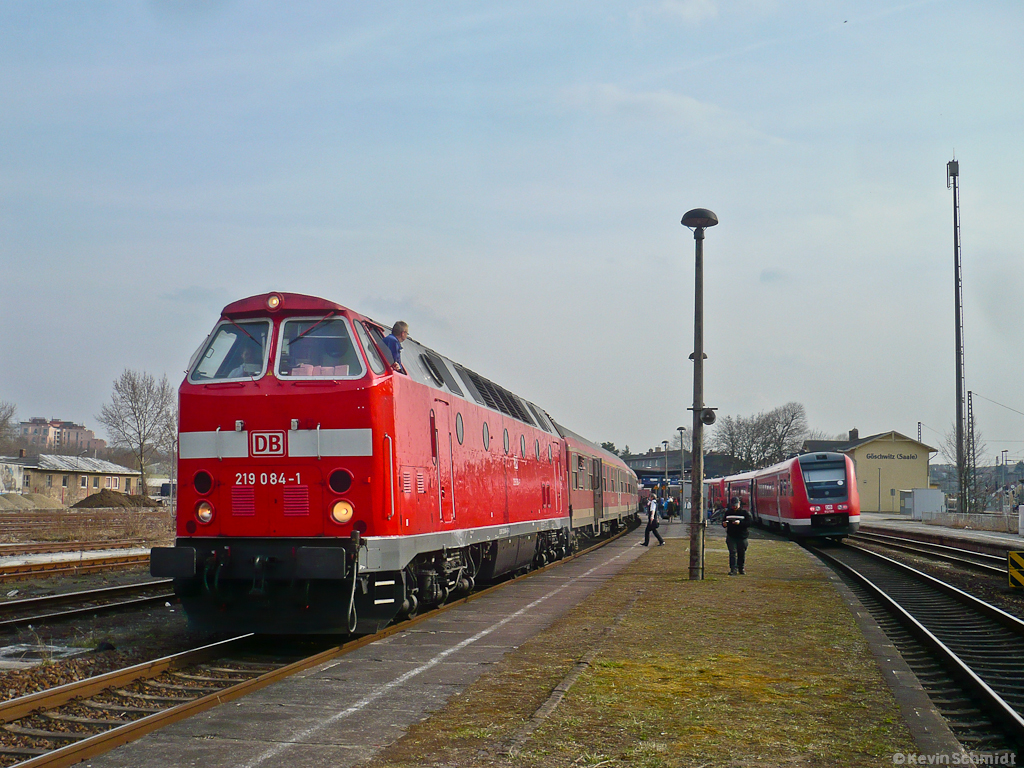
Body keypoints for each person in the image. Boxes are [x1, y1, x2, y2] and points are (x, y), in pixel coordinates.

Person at [722, 496, 752, 575]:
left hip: (742, 536)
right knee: (732, 553)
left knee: (741, 552)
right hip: (731, 535)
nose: (734, 507)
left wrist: (740, 523)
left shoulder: (745, 513)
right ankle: (733, 569)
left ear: (739, 504)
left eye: (735, 505)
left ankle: (741, 568)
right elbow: (724, 521)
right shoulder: (728, 513)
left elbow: (749, 523)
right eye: (733, 505)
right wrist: (724, 524)